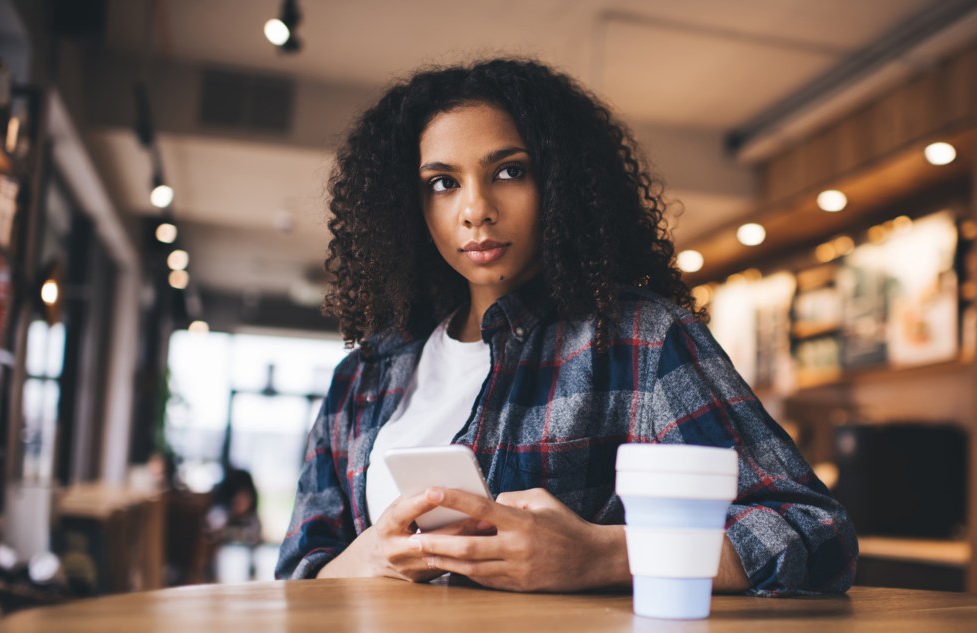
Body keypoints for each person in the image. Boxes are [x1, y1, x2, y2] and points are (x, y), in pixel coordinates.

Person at [276, 58, 857, 596]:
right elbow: (299, 574)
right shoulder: (365, 374)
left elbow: (816, 533)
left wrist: (601, 556)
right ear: (408, 205)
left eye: (508, 171)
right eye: (442, 182)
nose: (474, 208)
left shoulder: (640, 341)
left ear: (560, 185)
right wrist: (373, 555)